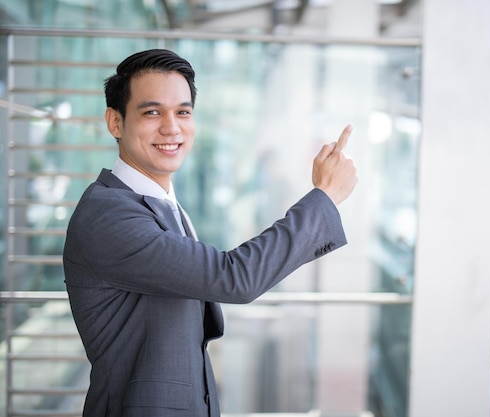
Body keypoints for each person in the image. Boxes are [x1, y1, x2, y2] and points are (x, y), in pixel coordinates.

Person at [62, 48, 357, 417]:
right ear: (115, 122)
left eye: (183, 112)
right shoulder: (107, 216)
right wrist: (324, 199)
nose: (172, 127)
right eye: (152, 112)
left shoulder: (163, 203)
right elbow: (233, 277)